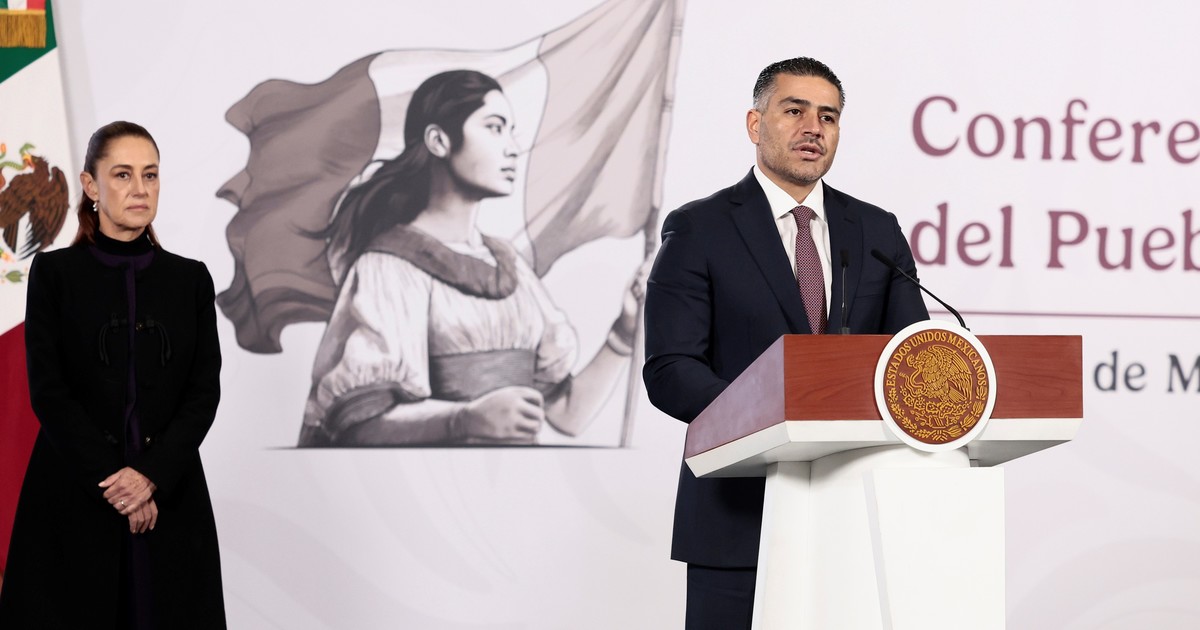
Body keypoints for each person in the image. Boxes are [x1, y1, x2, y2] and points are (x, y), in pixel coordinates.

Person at [642, 57, 929, 629]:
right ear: (756, 124)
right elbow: (671, 368)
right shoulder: (700, 228)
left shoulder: (876, 230)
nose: (813, 128)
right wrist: (773, 418)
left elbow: (913, 358)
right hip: (737, 516)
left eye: (828, 116)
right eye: (794, 110)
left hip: (854, 516)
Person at [298, 70, 644, 447]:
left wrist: (624, 332)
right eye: (494, 128)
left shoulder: (509, 266)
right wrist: (464, 420)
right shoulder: (389, 267)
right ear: (438, 141)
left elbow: (567, 414)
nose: (512, 148)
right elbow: (359, 425)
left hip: (514, 481)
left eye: (511, 131)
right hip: (428, 481)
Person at [0, 122, 226, 628]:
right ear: (90, 185)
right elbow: (49, 392)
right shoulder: (54, 275)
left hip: (170, 496)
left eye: (150, 174)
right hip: (73, 493)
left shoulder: (190, 280)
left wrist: (149, 477)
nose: (140, 188)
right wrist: (118, 485)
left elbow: (202, 394)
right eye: (123, 175)